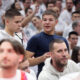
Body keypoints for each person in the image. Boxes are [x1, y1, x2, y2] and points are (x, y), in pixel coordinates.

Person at [26, 10, 69, 76]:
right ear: (41, 22)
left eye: (50, 20)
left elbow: (68, 60)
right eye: (45, 20)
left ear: (56, 22)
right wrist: (42, 58)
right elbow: (26, 61)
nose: (47, 22)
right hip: (44, 76)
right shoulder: (35, 39)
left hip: (62, 76)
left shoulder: (62, 40)